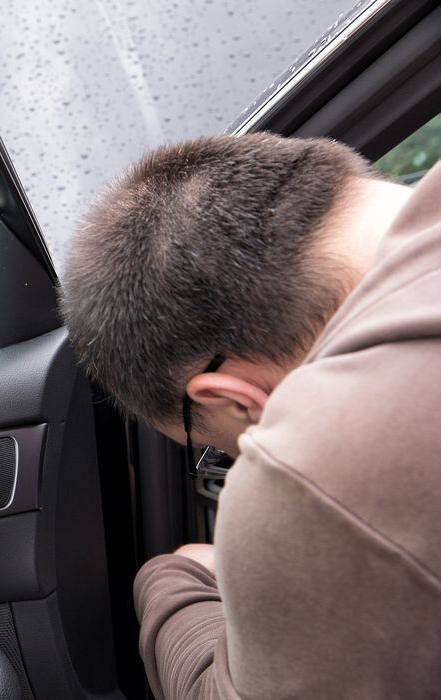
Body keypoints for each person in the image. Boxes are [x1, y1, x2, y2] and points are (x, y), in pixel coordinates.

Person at [59, 132, 441, 698]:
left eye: (222, 447)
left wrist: (174, 575)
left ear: (233, 399)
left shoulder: (316, 465)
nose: (243, 463)